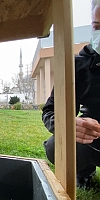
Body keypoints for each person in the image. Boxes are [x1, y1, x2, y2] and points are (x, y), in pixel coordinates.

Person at [42, 0, 100, 190]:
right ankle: (84, 172)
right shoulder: (79, 65)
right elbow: (50, 110)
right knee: (55, 146)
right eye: (98, 27)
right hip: (95, 137)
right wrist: (67, 124)